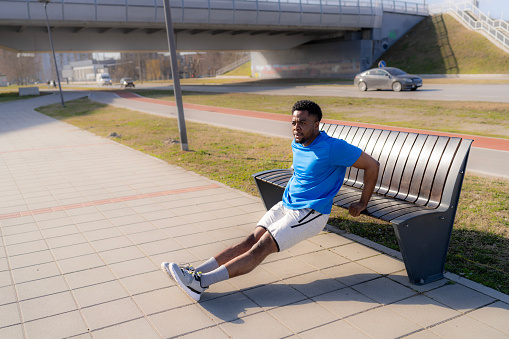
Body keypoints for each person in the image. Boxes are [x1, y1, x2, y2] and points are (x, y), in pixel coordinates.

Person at [161, 99, 380, 301]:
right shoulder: (298, 142)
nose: (296, 127)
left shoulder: (333, 147)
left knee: (261, 248)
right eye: (294, 122)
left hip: (310, 212)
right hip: (286, 204)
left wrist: (363, 203)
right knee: (249, 241)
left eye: (303, 122)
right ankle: (196, 272)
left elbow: (372, 165)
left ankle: (199, 284)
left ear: (317, 124)